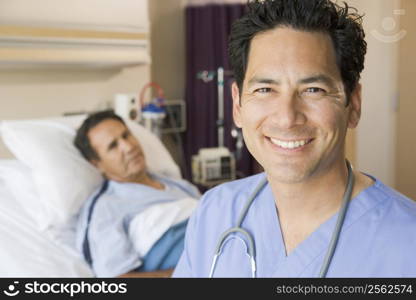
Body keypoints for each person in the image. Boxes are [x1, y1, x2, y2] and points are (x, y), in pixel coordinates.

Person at [173, 0, 416, 277]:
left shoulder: (407, 242)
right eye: (265, 89)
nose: (287, 118)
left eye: (313, 89)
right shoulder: (213, 213)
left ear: (354, 104)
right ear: (238, 105)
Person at [73, 110, 200, 277]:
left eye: (126, 136)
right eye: (113, 146)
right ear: (97, 164)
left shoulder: (179, 186)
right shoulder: (105, 210)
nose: (129, 147)